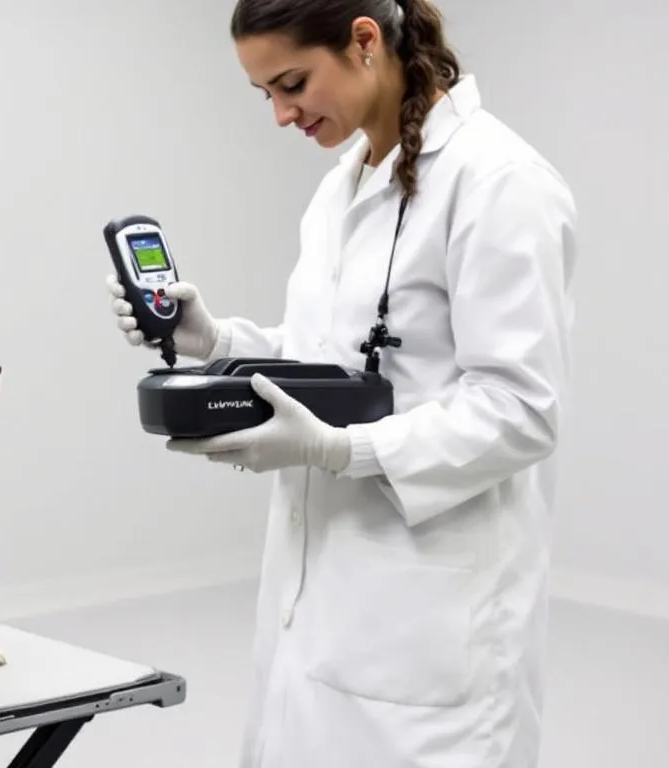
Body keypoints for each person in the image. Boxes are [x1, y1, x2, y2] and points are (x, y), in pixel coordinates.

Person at [106, 0, 576, 766]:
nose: (282, 115)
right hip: (320, 586)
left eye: (292, 83)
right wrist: (216, 341)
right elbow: (336, 354)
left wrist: (339, 450)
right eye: (266, 95)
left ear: (364, 40)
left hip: (428, 615)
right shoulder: (341, 187)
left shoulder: (500, 183)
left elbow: (521, 408)